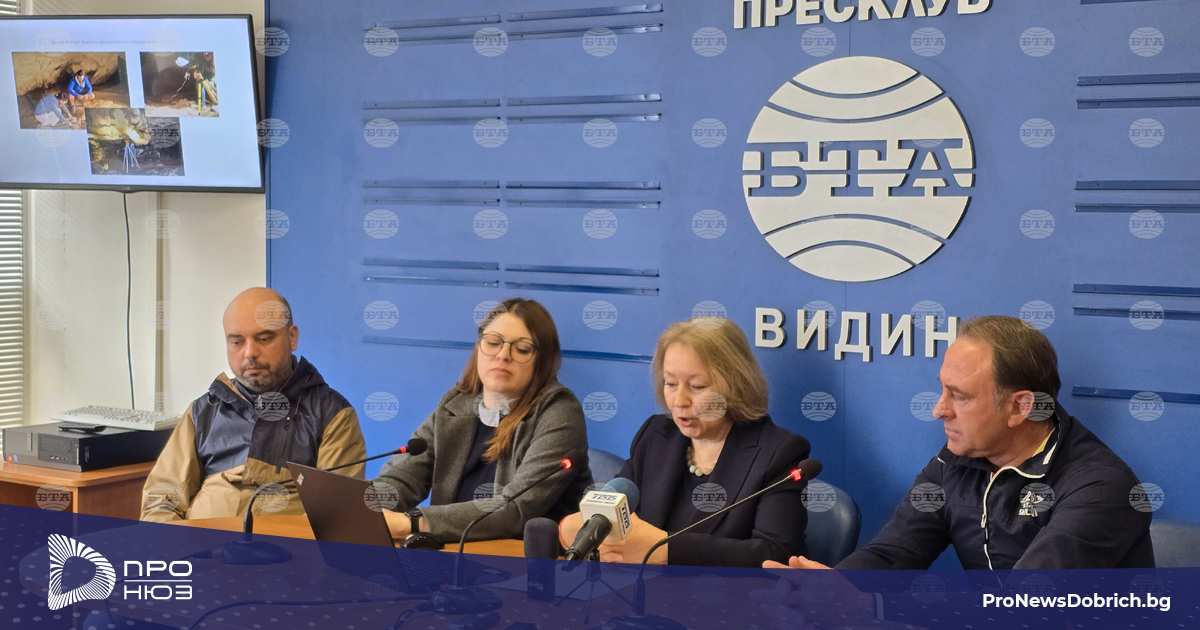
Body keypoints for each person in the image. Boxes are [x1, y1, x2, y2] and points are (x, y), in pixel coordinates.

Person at [757, 316, 1154, 626]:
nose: (939, 409)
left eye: (959, 396)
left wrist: (869, 605)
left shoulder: (1100, 486)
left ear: (1020, 407)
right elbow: (893, 555)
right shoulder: (955, 461)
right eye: (943, 389)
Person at [559, 317, 810, 567]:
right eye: (670, 383)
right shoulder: (656, 436)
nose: (679, 400)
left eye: (697, 386)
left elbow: (776, 554)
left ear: (735, 385)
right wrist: (577, 528)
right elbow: (617, 511)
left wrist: (666, 550)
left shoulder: (779, 453)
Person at [375, 298, 593, 542]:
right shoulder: (455, 404)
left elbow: (515, 510)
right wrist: (368, 508)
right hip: (454, 551)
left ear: (542, 362)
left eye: (522, 349)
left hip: (529, 558)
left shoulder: (559, 412)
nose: (503, 355)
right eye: (493, 343)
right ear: (479, 348)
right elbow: (404, 477)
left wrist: (413, 522)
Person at [140, 288, 366, 522]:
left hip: (283, 545)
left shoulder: (332, 414)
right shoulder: (203, 411)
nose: (249, 353)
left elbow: (335, 518)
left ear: (292, 338)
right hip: (198, 543)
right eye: (237, 342)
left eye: (264, 339)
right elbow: (161, 501)